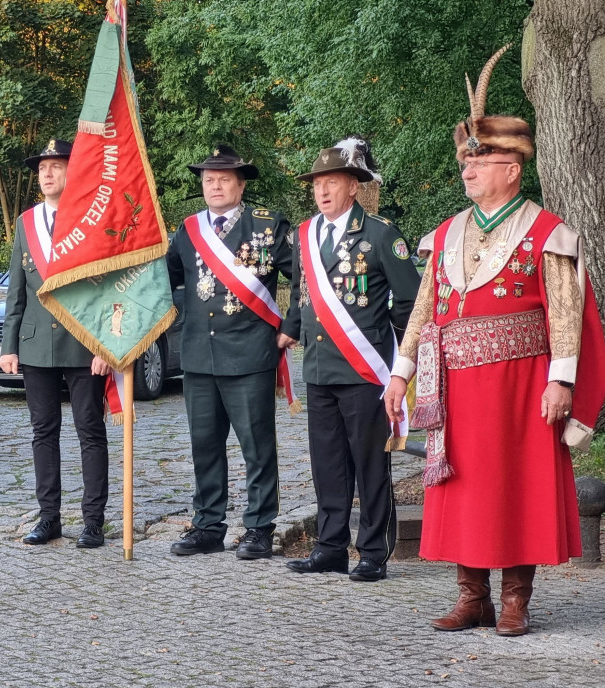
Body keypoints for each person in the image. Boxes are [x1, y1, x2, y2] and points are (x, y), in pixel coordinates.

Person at [385, 46, 605, 635]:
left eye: (480, 160)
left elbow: (567, 310)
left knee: (514, 486)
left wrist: (562, 380)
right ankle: (471, 596)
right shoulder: (445, 234)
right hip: (456, 382)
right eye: (465, 160)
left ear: (512, 168)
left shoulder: (547, 232)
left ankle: (514, 599)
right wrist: (400, 370)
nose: (468, 169)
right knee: (463, 487)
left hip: (521, 382)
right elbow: (425, 309)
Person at [279, 140, 421, 581]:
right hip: (319, 368)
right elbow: (304, 293)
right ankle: (330, 546)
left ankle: (374, 552)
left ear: (352, 188)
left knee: (369, 463)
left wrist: (396, 354)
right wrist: (291, 330)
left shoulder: (381, 234)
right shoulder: (304, 235)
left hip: (365, 369)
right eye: (317, 184)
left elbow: (411, 300)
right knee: (327, 461)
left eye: (332, 182)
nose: (322, 191)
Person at [165, 145, 294, 559]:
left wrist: (292, 326)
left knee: (256, 446)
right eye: (208, 180)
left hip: (250, 354)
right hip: (200, 356)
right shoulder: (187, 231)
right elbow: (161, 283)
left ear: (240, 185)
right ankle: (208, 525)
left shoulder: (268, 225)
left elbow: (306, 275)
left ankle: (259, 528)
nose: (215, 186)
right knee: (204, 444)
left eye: (223, 179)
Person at [0, 139, 112, 549]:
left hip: (83, 343)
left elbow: (106, 289)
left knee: (89, 431)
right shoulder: (26, 223)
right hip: (34, 345)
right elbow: (17, 291)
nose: (47, 174)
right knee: (42, 432)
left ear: (73, 172)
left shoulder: (91, 219)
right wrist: (9, 344)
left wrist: (104, 345)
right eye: (42, 168)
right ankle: (49, 518)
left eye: (56, 167)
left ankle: (93, 521)